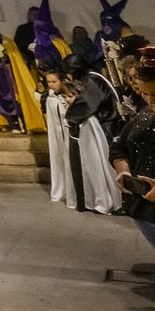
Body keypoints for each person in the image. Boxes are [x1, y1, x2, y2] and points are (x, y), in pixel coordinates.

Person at [112, 45, 155, 272]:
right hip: (145, 213)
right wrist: (123, 171)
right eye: (145, 95)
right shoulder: (145, 115)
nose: (152, 102)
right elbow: (118, 148)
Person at [41, 71, 120, 214]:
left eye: (71, 96)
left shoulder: (87, 117)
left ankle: (103, 200)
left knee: (97, 167)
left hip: (92, 145)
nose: (68, 100)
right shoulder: (53, 101)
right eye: (65, 97)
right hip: (81, 147)